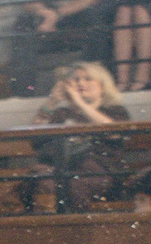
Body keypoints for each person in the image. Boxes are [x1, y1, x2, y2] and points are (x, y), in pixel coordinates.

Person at [29, 61, 136, 213]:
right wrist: (52, 102)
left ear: (103, 86)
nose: (80, 83)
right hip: (61, 169)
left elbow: (113, 132)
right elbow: (36, 139)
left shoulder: (115, 111)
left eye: (87, 79)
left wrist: (79, 102)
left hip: (99, 172)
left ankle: (70, 229)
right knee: (41, 180)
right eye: (76, 79)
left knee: (69, 185)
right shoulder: (62, 113)